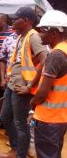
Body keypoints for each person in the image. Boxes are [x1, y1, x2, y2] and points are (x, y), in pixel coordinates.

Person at [0, 7, 48, 158]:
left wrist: (30, 86)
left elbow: (45, 61)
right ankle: (16, 148)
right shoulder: (21, 36)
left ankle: (20, 154)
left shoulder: (34, 37)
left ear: (26, 21)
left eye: (15, 19)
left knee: (20, 123)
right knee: (5, 117)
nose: (13, 21)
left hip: (23, 87)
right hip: (13, 84)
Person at [30, 10, 67, 158]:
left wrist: (32, 107)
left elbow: (43, 93)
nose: (39, 34)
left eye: (42, 30)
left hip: (48, 118)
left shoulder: (55, 55)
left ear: (54, 33)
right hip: (61, 117)